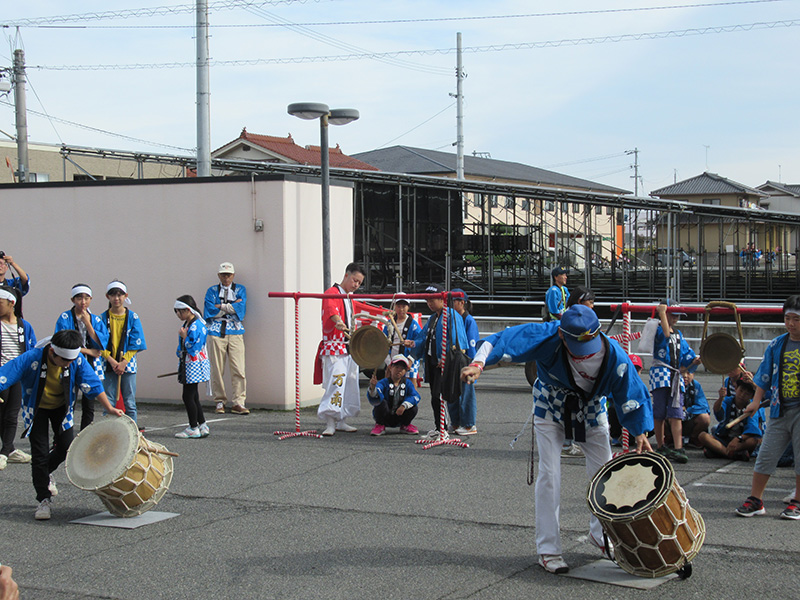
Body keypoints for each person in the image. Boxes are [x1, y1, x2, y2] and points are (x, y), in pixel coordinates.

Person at [461, 304, 654, 574]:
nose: (585, 355)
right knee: (549, 475)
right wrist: (478, 363)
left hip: (591, 409)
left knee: (605, 475)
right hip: (550, 407)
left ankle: (602, 537)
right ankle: (548, 549)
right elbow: (501, 340)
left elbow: (631, 391)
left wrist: (640, 432)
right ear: (562, 336)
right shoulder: (548, 336)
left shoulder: (614, 355)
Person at [0, 329, 124, 520]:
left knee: (67, 447)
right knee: (39, 454)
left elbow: (93, 383)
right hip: (37, 409)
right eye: (65, 361)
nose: (69, 364)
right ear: (52, 352)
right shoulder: (31, 358)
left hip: (62, 408)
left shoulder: (76, 360)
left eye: (71, 361)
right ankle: (43, 499)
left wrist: (109, 407)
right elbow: (6, 374)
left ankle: (45, 472)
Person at [736, 295, 800, 520]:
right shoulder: (777, 344)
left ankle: (798, 501)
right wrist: (755, 401)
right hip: (779, 409)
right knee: (766, 454)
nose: (791, 324)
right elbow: (763, 376)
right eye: (788, 318)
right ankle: (756, 499)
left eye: (796, 319)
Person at [408, 284, 468, 437]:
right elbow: (423, 337)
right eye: (427, 300)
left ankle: (444, 427)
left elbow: (457, 339)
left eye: (432, 299)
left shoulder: (452, 315)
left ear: (443, 299)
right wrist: (413, 344)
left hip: (445, 363)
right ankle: (439, 427)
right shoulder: (433, 318)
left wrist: (447, 357)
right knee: (435, 396)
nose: (429, 303)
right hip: (433, 362)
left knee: (440, 395)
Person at [649, 300, 701, 464]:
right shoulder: (657, 330)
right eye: (673, 314)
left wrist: (695, 361)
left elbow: (687, 356)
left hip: (675, 375)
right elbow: (665, 334)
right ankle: (661, 445)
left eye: (677, 315)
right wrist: (662, 313)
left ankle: (679, 447)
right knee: (659, 412)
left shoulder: (679, 335)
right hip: (660, 373)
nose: (675, 318)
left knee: (676, 412)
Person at [317, 263, 365, 436]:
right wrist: (338, 320)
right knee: (336, 382)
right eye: (355, 280)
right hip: (335, 346)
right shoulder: (331, 293)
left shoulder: (349, 298)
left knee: (349, 383)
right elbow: (332, 311)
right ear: (346, 275)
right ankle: (330, 422)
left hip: (349, 347)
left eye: (359, 283)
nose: (356, 285)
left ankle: (342, 420)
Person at [54, 284, 109, 430]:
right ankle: (63, 433)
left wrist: (88, 323)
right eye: (79, 298)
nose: (83, 302)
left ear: (91, 299)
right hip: (69, 362)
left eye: (86, 298)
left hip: (91, 364)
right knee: (67, 399)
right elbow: (61, 343)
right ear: (73, 299)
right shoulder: (65, 317)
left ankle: (85, 433)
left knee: (89, 402)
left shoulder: (96, 320)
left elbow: (101, 344)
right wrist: (87, 351)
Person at [204, 262, 249, 415]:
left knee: (238, 368)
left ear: (233, 275)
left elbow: (241, 309)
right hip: (216, 331)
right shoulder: (211, 291)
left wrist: (220, 306)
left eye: (228, 274)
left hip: (235, 331)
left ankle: (238, 401)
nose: (226, 277)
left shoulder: (240, 290)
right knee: (217, 368)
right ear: (219, 275)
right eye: (223, 274)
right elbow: (209, 310)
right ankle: (219, 401)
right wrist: (230, 306)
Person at [100, 280, 146, 426]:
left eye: (120, 295)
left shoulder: (133, 317)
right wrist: (113, 362)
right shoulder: (101, 318)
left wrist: (123, 362)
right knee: (109, 401)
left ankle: (134, 434)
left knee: (129, 402)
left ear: (125, 296)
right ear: (108, 296)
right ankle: (109, 432)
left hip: (128, 364)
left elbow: (136, 342)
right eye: (113, 294)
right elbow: (98, 343)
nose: (116, 298)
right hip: (109, 363)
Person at [0, 287, 36, 470]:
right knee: (2, 412)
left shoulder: (24, 326)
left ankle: (6, 451)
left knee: (12, 413)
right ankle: (8, 449)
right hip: (1, 375)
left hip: (18, 375)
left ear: (11, 303)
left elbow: (31, 351)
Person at [699, 375, 763, 460]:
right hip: (724, 437)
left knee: (753, 441)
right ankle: (728, 453)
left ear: (752, 396)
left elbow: (752, 429)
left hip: (741, 440)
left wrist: (738, 438)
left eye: (747, 393)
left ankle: (719, 451)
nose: (742, 395)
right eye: (741, 390)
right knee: (703, 436)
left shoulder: (751, 406)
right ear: (736, 389)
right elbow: (718, 413)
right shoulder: (728, 400)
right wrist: (720, 398)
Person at [174, 295, 211, 439]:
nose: (178, 314)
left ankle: (193, 426)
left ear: (188, 310)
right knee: (193, 395)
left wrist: (184, 338)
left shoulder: (196, 325)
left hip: (195, 364)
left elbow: (194, 348)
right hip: (190, 363)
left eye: (180, 311)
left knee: (188, 396)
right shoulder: (190, 324)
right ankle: (202, 425)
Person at [367, 354, 420, 436]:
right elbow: (376, 394)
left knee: (413, 406)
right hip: (386, 415)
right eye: (396, 367)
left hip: (400, 414)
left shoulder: (408, 383)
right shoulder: (383, 382)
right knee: (381, 403)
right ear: (391, 367)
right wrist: (373, 388)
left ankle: (405, 425)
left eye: (402, 368)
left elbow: (415, 396)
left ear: (405, 371)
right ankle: (380, 425)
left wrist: (404, 406)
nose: (399, 370)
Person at [451, 288, 479, 435]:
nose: (451, 304)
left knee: (466, 393)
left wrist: (471, 365)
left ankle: (469, 424)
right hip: (453, 360)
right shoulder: (452, 318)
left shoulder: (468, 320)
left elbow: (472, 344)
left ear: (462, 303)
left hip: (464, 361)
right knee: (453, 392)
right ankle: (455, 423)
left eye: (454, 301)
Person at [381, 293, 421, 386]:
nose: (401, 309)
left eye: (404, 306)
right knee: (389, 380)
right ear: (394, 307)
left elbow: (419, 343)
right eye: (398, 306)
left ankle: (412, 399)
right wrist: (388, 361)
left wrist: (411, 359)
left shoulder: (413, 325)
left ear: (408, 307)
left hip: (409, 357)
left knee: (410, 381)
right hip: (393, 358)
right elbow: (384, 342)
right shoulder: (390, 323)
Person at [680, 371, 711, 448]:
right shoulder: (670, 384)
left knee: (705, 418)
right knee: (658, 415)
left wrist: (687, 410)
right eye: (681, 373)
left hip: (690, 420)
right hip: (673, 418)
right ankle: (670, 437)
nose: (685, 376)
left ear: (693, 374)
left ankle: (693, 438)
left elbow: (703, 406)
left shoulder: (695, 385)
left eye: (688, 373)